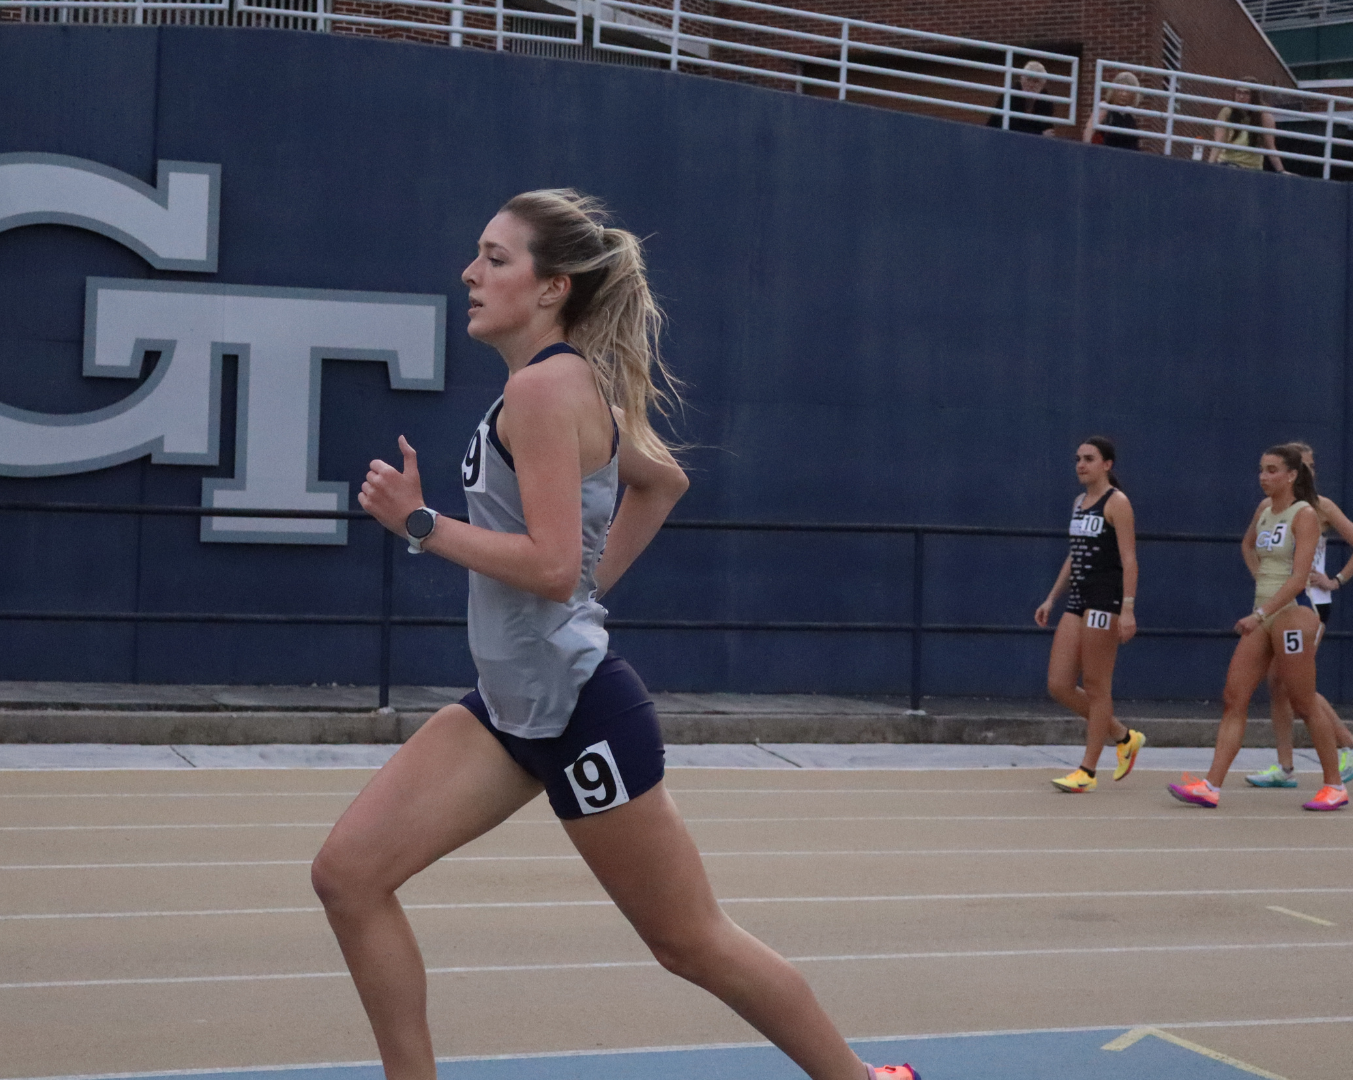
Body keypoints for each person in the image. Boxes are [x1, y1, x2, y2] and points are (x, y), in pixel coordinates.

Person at [311, 190, 920, 1080]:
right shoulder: (554, 386)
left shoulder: (545, 387)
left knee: (689, 941)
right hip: (511, 709)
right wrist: (579, 587)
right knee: (348, 876)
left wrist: (420, 524)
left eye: (495, 258)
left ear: (552, 286)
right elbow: (660, 482)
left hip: (579, 713)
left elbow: (553, 565)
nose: (470, 274)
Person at [1169, 444, 1349, 811]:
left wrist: (1262, 611)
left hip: (1293, 614)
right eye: (1261, 470)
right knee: (1234, 697)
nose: (1263, 477)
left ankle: (1334, 785)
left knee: (1303, 702)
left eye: (1272, 470)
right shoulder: (1266, 512)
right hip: (1265, 615)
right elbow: (1249, 547)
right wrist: (1261, 594)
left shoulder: (1305, 515)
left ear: (1292, 475)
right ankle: (1210, 785)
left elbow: (1298, 578)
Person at [1246, 442, 1353, 789]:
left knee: (1295, 683)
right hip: (1278, 602)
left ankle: (1351, 744)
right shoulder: (1270, 507)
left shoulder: (1320, 507)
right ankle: (1285, 766)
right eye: (1304, 465)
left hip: (1309, 604)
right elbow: (1248, 546)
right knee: (1277, 685)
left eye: (1311, 465)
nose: (1309, 471)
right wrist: (1263, 579)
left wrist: (1336, 580)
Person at [1034, 437, 1146, 793]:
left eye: (1089, 459)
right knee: (1059, 684)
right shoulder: (1079, 503)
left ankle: (1087, 770)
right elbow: (1075, 554)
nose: (1081, 465)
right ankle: (1124, 737)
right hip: (1078, 598)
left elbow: (1129, 559)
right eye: (1078, 459)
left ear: (1107, 464)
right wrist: (1052, 597)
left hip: (1105, 600)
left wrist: (1127, 608)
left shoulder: (1117, 503)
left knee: (1097, 686)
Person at [1209, 82, 1285, 173]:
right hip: (1226, 164)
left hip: (1251, 168)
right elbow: (1218, 142)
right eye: (1238, 92)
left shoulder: (1264, 116)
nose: (1241, 96)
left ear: (1254, 96)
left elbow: (1270, 147)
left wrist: (1281, 170)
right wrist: (1210, 165)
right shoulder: (1227, 112)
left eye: (1246, 93)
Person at [987, 60, 1058, 136]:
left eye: (1036, 81)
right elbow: (1009, 127)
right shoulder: (1011, 94)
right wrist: (1039, 133)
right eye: (1028, 80)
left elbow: (1049, 130)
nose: (1031, 85)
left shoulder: (1046, 100)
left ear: (1042, 85)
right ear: (1021, 80)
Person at [1083, 71, 1144, 151]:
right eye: (1120, 90)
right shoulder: (1105, 107)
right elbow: (1090, 128)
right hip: (1107, 154)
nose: (1124, 94)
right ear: (1114, 91)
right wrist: (1086, 150)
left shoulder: (1130, 114)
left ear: (1133, 95)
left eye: (1127, 91)